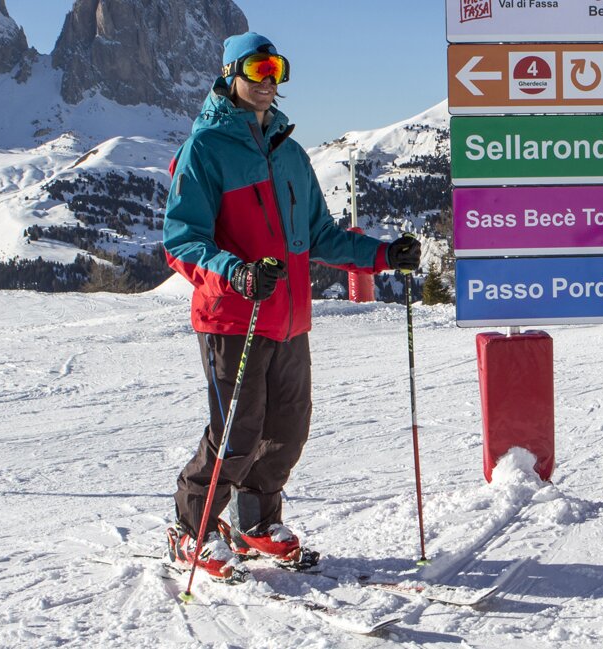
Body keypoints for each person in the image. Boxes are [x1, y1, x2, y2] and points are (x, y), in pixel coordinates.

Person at [160, 32, 422, 582]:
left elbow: (320, 235)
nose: (268, 80)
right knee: (236, 433)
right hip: (233, 316)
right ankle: (193, 530)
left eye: (276, 69)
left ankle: (256, 520)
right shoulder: (204, 149)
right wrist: (237, 272)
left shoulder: (291, 153)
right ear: (232, 74)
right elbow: (182, 240)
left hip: (288, 318)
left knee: (287, 429)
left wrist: (381, 255)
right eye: (258, 69)